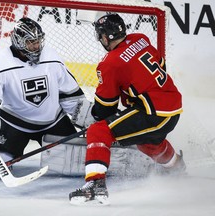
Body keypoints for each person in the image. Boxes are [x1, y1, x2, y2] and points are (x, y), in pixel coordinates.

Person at [69, 13, 186, 205]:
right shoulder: (141, 39)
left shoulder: (110, 63)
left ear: (106, 37)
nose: (100, 40)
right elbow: (160, 66)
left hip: (153, 113)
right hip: (172, 108)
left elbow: (105, 107)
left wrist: (98, 118)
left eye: (100, 36)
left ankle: (95, 185)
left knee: (98, 131)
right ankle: (177, 166)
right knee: (148, 143)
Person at [0, 17, 88, 175]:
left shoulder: (52, 57)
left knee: (77, 166)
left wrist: (90, 119)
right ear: (18, 41)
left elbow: (71, 96)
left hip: (52, 121)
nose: (36, 46)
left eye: (38, 41)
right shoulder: (1, 62)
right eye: (30, 42)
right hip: (14, 123)